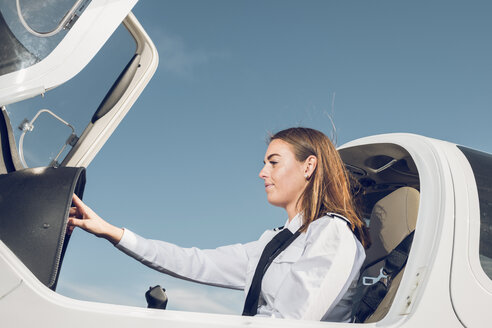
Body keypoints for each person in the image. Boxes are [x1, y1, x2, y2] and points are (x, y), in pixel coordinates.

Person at [68, 127, 370, 322]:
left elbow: (289, 321)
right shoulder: (272, 242)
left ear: (309, 166)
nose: (262, 173)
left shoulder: (332, 234)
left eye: (273, 162)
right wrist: (112, 232)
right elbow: (194, 262)